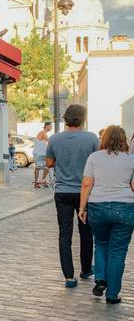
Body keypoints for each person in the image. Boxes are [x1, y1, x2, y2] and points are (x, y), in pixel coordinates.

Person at [79, 125, 134, 304]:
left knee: (101, 243)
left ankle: (101, 278)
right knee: (118, 251)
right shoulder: (131, 159)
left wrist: (82, 208)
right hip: (125, 207)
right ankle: (112, 294)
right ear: (123, 139)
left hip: (98, 205)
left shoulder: (94, 157)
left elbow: (87, 184)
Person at [46, 104, 99, 288]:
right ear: (83, 118)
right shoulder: (92, 138)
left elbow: (49, 163)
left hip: (62, 192)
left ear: (66, 118)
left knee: (65, 233)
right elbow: (98, 162)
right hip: (85, 191)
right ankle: (86, 269)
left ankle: (69, 276)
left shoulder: (54, 139)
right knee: (86, 231)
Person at [34, 122, 52, 188]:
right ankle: (38, 182)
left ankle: (40, 181)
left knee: (45, 167)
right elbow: (50, 141)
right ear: (46, 126)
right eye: (50, 126)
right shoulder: (43, 133)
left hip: (41, 153)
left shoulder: (43, 133)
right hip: (39, 153)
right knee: (41, 167)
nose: (51, 127)